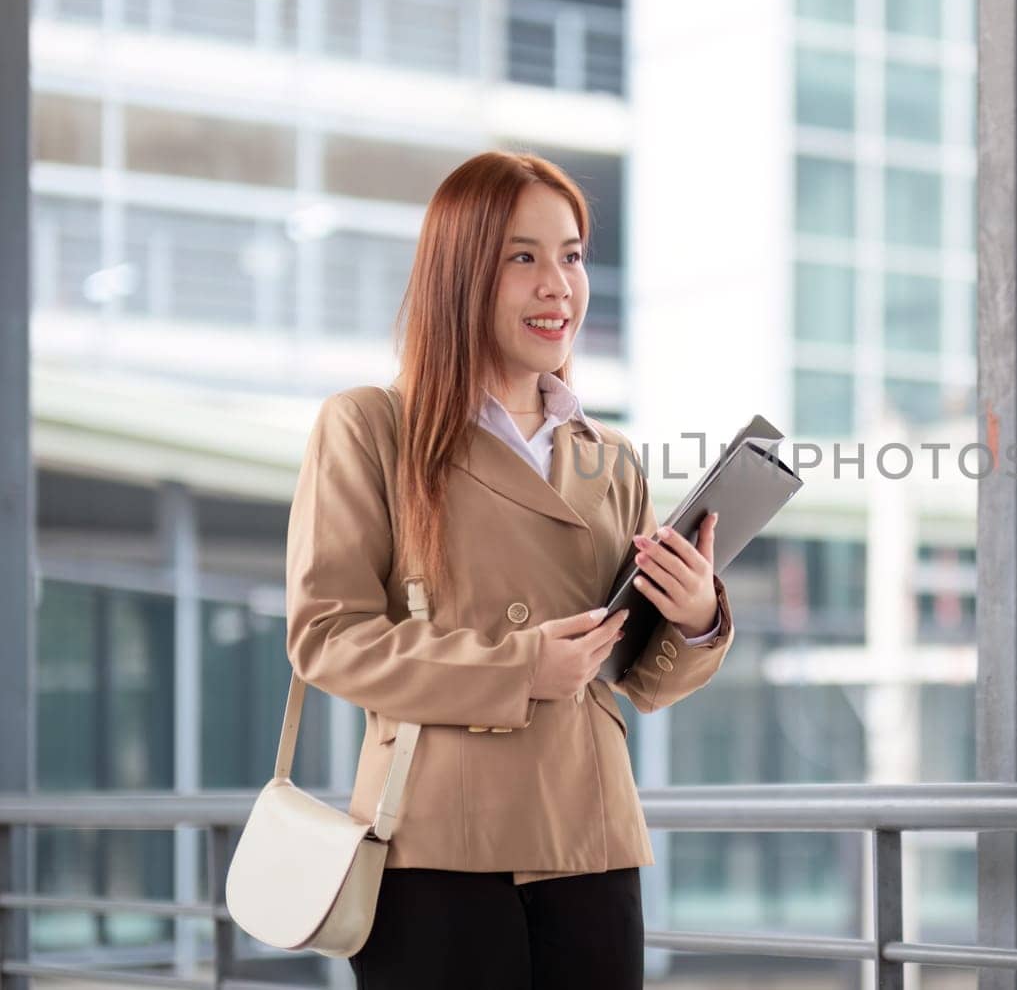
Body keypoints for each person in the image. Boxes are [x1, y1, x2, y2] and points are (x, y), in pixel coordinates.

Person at [282, 150, 735, 988]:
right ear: (460, 275)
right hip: (437, 843)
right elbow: (327, 638)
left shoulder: (613, 457)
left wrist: (696, 613)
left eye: (571, 254)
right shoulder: (372, 428)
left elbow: (639, 678)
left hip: (590, 836)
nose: (557, 283)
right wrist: (520, 665)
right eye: (522, 257)